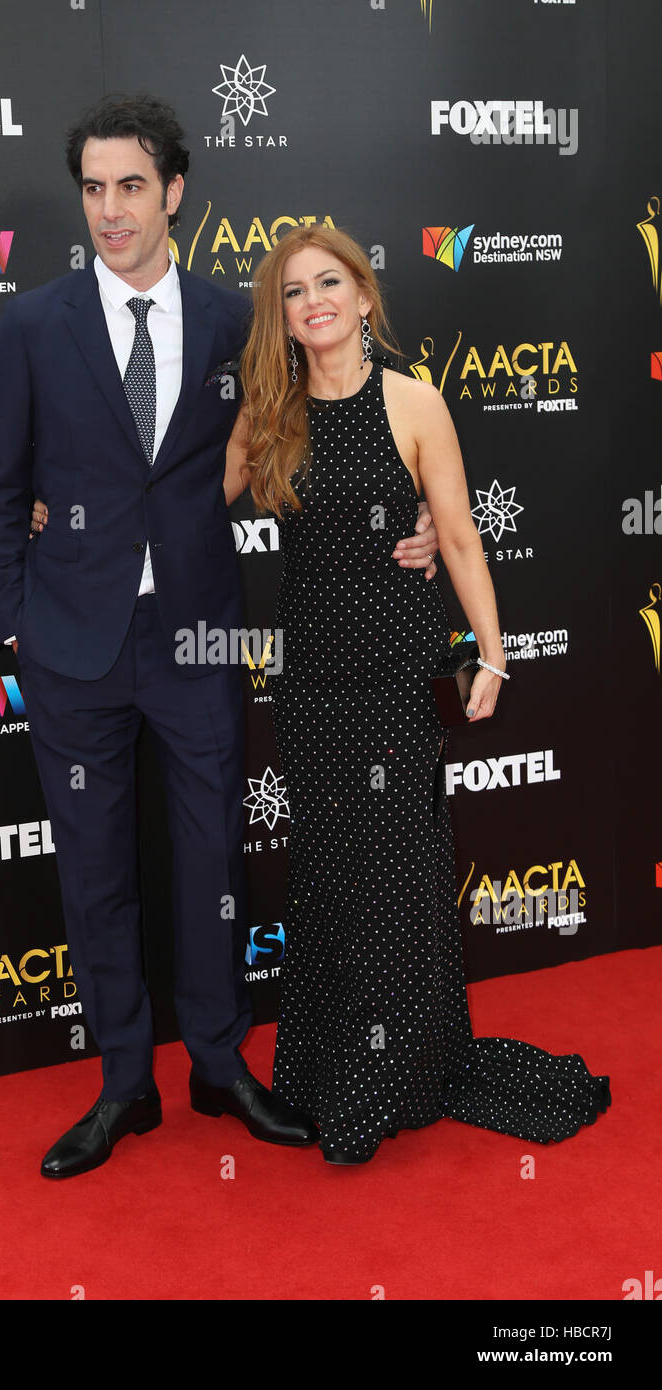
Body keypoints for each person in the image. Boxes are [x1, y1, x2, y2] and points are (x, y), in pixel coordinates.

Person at [0, 96, 442, 1179]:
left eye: (130, 186)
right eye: (91, 189)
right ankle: (124, 1084)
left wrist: (416, 514)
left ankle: (219, 1064)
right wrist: (17, 623)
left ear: (173, 192)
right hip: (72, 646)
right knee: (94, 869)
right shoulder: (33, 326)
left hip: (196, 638)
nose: (109, 210)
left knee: (209, 855)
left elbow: (337, 416)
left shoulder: (241, 316)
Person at [222, 222, 609, 1164]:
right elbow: (195, 496)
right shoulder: (269, 409)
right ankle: (323, 1071)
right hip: (312, 674)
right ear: (282, 316)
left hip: (394, 667)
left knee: (396, 873)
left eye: (329, 283)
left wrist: (494, 652)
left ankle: (390, 1079)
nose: (312, 302)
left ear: (363, 295)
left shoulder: (417, 401)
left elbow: (462, 535)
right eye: (292, 292)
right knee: (328, 873)